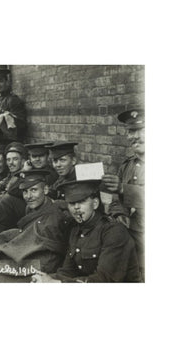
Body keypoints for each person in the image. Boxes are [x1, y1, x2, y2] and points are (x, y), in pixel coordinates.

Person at [32, 179, 141, 283]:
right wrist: (47, 279)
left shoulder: (113, 231)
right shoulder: (76, 229)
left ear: (95, 203)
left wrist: (58, 283)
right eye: (71, 203)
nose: (76, 208)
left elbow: (104, 280)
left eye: (81, 202)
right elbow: (68, 271)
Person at [102, 109, 145, 280]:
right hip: (130, 241)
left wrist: (122, 189)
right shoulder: (127, 165)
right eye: (131, 131)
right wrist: (119, 212)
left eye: (141, 130)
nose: (135, 136)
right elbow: (114, 199)